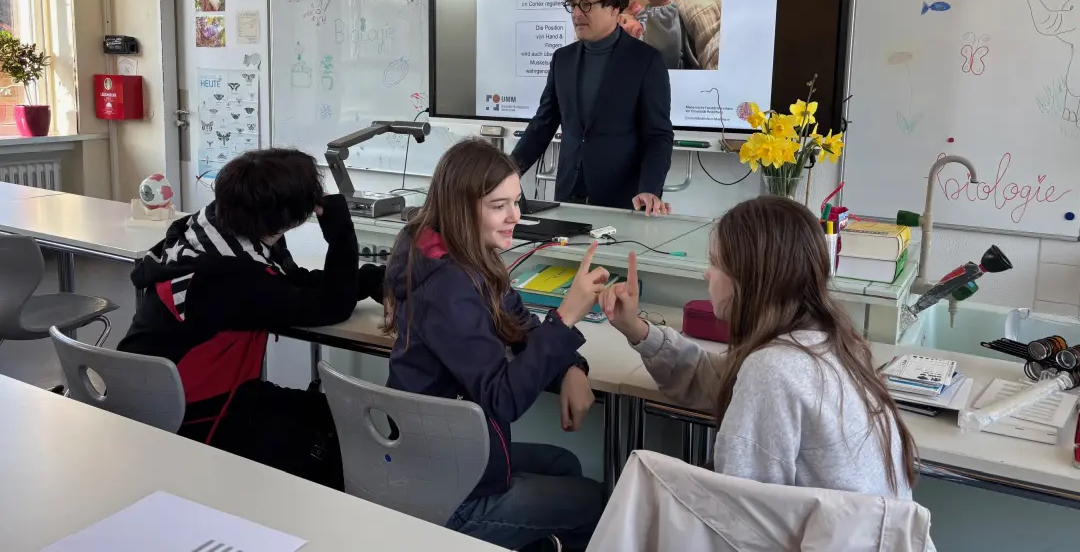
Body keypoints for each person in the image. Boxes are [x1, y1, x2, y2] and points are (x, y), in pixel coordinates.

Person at [599, 196, 918, 499]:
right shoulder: (833, 342)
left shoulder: (772, 369)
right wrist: (636, 328)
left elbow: (739, 511)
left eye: (715, 262)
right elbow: (714, 378)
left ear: (749, 279)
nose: (706, 273)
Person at [384, 139, 606, 550]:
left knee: (564, 463)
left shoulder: (459, 253)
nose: (515, 217)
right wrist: (566, 318)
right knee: (597, 502)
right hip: (450, 494)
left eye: (516, 202)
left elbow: (519, 324)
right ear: (461, 208)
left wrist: (571, 367)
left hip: (449, 455)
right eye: (499, 205)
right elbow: (502, 398)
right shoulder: (448, 287)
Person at [118, 148, 385, 490]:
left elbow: (292, 284)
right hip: (195, 420)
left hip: (146, 399)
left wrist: (372, 279)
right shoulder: (237, 279)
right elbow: (333, 305)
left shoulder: (205, 231)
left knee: (325, 410)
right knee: (341, 423)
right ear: (290, 218)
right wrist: (340, 232)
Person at [511, 0, 674, 215]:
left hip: (623, 202)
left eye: (586, 4)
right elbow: (543, 123)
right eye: (573, 4)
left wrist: (651, 188)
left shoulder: (646, 61)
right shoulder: (562, 59)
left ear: (614, 7)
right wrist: (509, 169)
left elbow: (658, 135)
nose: (577, 13)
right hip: (567, 195)